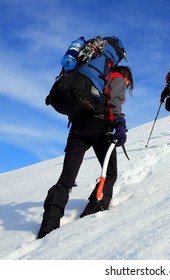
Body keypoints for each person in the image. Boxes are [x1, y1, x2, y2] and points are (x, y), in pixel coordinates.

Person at [37, 37, 134, 239]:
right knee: (110, 173)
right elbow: (114, 101)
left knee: (66, 179)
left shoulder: (84, 68)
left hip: (78, 127)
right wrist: (119, 122)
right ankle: (93, 212)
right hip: (100, 128)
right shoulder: (116, 76)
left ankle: (48, 226)